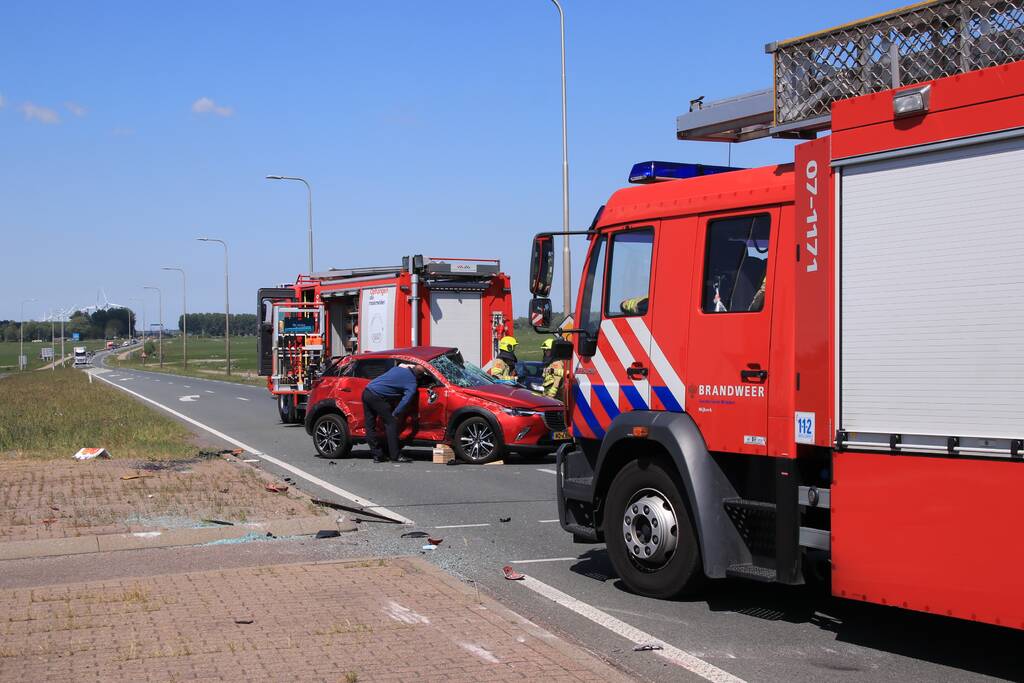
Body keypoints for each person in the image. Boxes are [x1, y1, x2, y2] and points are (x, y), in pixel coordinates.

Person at [363, 363, 426, 463]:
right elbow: (406, 400)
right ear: (419, 376)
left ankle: (378, 456)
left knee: (370, 425)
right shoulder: (412, 382)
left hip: (367, 391)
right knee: (391, 423)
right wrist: (396, 412)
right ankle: (395, 456)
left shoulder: (398, 369)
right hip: (377, 397)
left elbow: (402, 365)